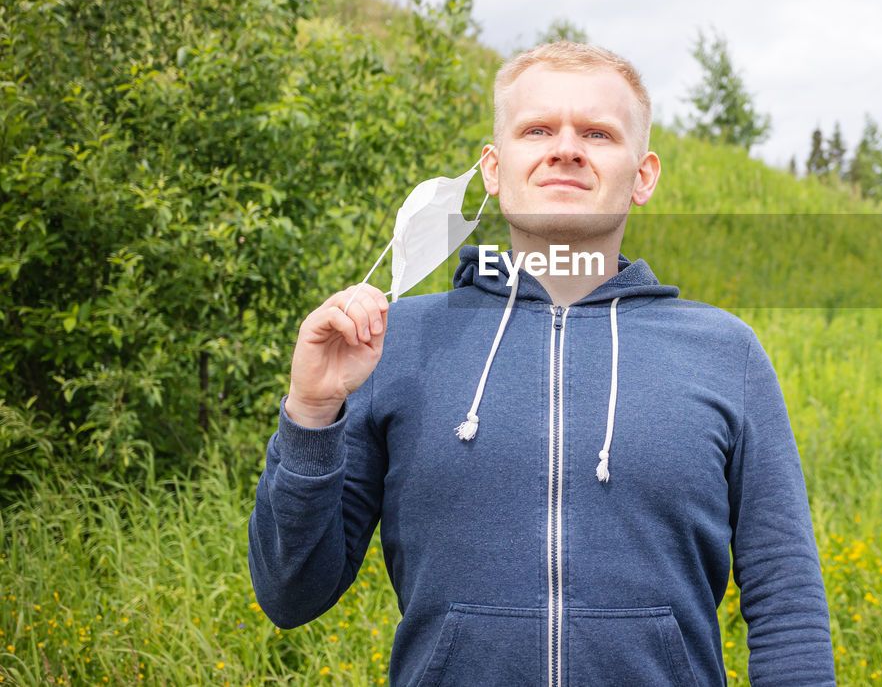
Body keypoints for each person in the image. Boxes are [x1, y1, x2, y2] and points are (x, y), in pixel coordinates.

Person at [248, 42, 836, 686]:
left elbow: (786, 599)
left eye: (597, 133)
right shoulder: (394, 343)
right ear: (493, 169)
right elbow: (290, 594)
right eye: (537, 129)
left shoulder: (725, 352)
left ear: (643, 176)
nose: (566, 148)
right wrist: (311, 412)